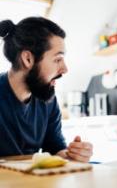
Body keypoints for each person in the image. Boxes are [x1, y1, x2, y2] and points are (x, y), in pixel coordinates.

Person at [0, 17, 93, 162]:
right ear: (28, 59)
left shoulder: (47, 100)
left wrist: (73, 155)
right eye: (57, 60)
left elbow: (56, 150)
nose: (65, 69)